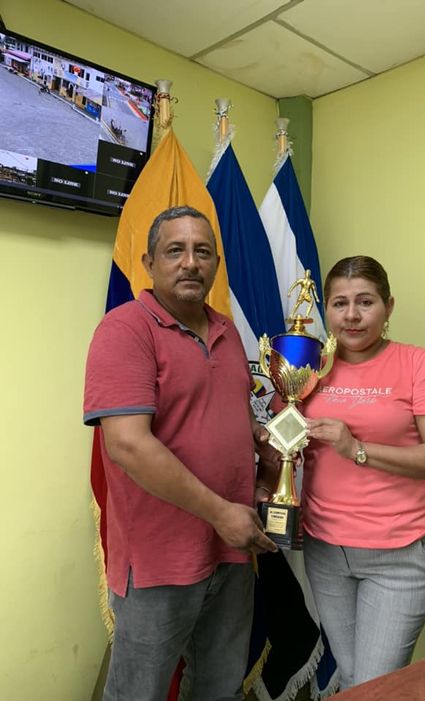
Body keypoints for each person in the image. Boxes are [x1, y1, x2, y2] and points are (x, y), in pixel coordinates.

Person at [83, 205, 278, 701]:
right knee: (139, 694)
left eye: (202, 252)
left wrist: (261, 448)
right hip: (159, 561)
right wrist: (221, 513)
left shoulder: (227, 330)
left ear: (216, 264)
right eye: (176, 251)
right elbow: (128, 445)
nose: (191, 262)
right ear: (149, 263)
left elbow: (226, 412)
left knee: (218, 688)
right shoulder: (125, 330)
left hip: (231, 551)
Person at [258, 255, 425, 690]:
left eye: (365, 302)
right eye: (340, 303)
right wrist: (273, 464)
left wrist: (357, 450)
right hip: (326, 551)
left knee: (373, 687)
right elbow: (282, 443)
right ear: (327, 309)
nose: (351, 315)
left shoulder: (416, 363)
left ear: (389, 307)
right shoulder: (309, 366)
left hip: (401, 553)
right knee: (352, 679)